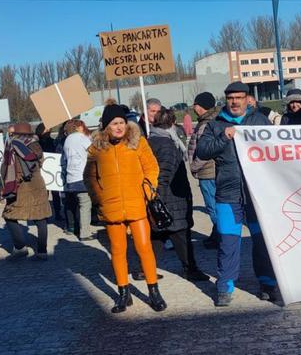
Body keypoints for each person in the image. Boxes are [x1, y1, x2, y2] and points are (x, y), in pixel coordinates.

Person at [195, 81, 278, 307]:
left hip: (256, 196)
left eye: (239, 98)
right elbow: (202, 150)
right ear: (226, 100)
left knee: (262, 242)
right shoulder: (215, 125)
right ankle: (224, 287)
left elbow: (278, 148)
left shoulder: (259, 121)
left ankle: (268, 284)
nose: (234, 102)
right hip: (227, 196)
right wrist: (225, 137)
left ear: (247, 99)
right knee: (228, 242)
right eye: (230, 98)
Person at [84, 103, 167, 313]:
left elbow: (151, 168)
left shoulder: (137, 143)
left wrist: (147, 193)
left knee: (144, 247)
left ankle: (153, 291)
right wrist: (98, 197)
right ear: (106, 126)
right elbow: (89, 176)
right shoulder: (96, 149)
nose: (119, 127)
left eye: (121, 122)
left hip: (136, 203)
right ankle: (123, 293)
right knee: (118, 251)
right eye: (114, 123)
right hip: (111, 206)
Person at [148, 107, 209, 282]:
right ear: (173, 123)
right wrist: (158, 198)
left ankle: (144, 268)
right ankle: (190, 269)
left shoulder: (153, 139)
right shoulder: (167, 144)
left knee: (159, 235)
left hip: (165, 198)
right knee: (181, 234)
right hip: (170, 198)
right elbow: (164, 174)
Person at [1, 122, 52, 261]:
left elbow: (9, 168)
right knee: (40, 217)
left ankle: (20, 248)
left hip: (20, 187)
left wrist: (6, 185)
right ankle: (42, 251)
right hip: (37, 185)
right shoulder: (35, 144)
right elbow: (41, 163)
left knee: (9, 216)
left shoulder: (13, 146)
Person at [188, 92, 220, 248]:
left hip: (207, 172)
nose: (193, 107)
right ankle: (217, 236)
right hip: (214, 171)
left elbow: (205, 150)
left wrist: (194, 166)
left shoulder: (206, 124)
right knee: (216, 206)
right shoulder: (214, 120)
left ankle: (222, 238)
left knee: (213, 207)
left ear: (200, 106)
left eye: (195, 104)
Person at [61, 120, 94, 240]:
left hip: (71, 178)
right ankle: (85, 233)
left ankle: (74, 228)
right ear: (76, 128)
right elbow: (93, 150)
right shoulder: (81, 138)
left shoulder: (67, 141)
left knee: (76, 205)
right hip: (82, 176)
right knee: (85, 205)